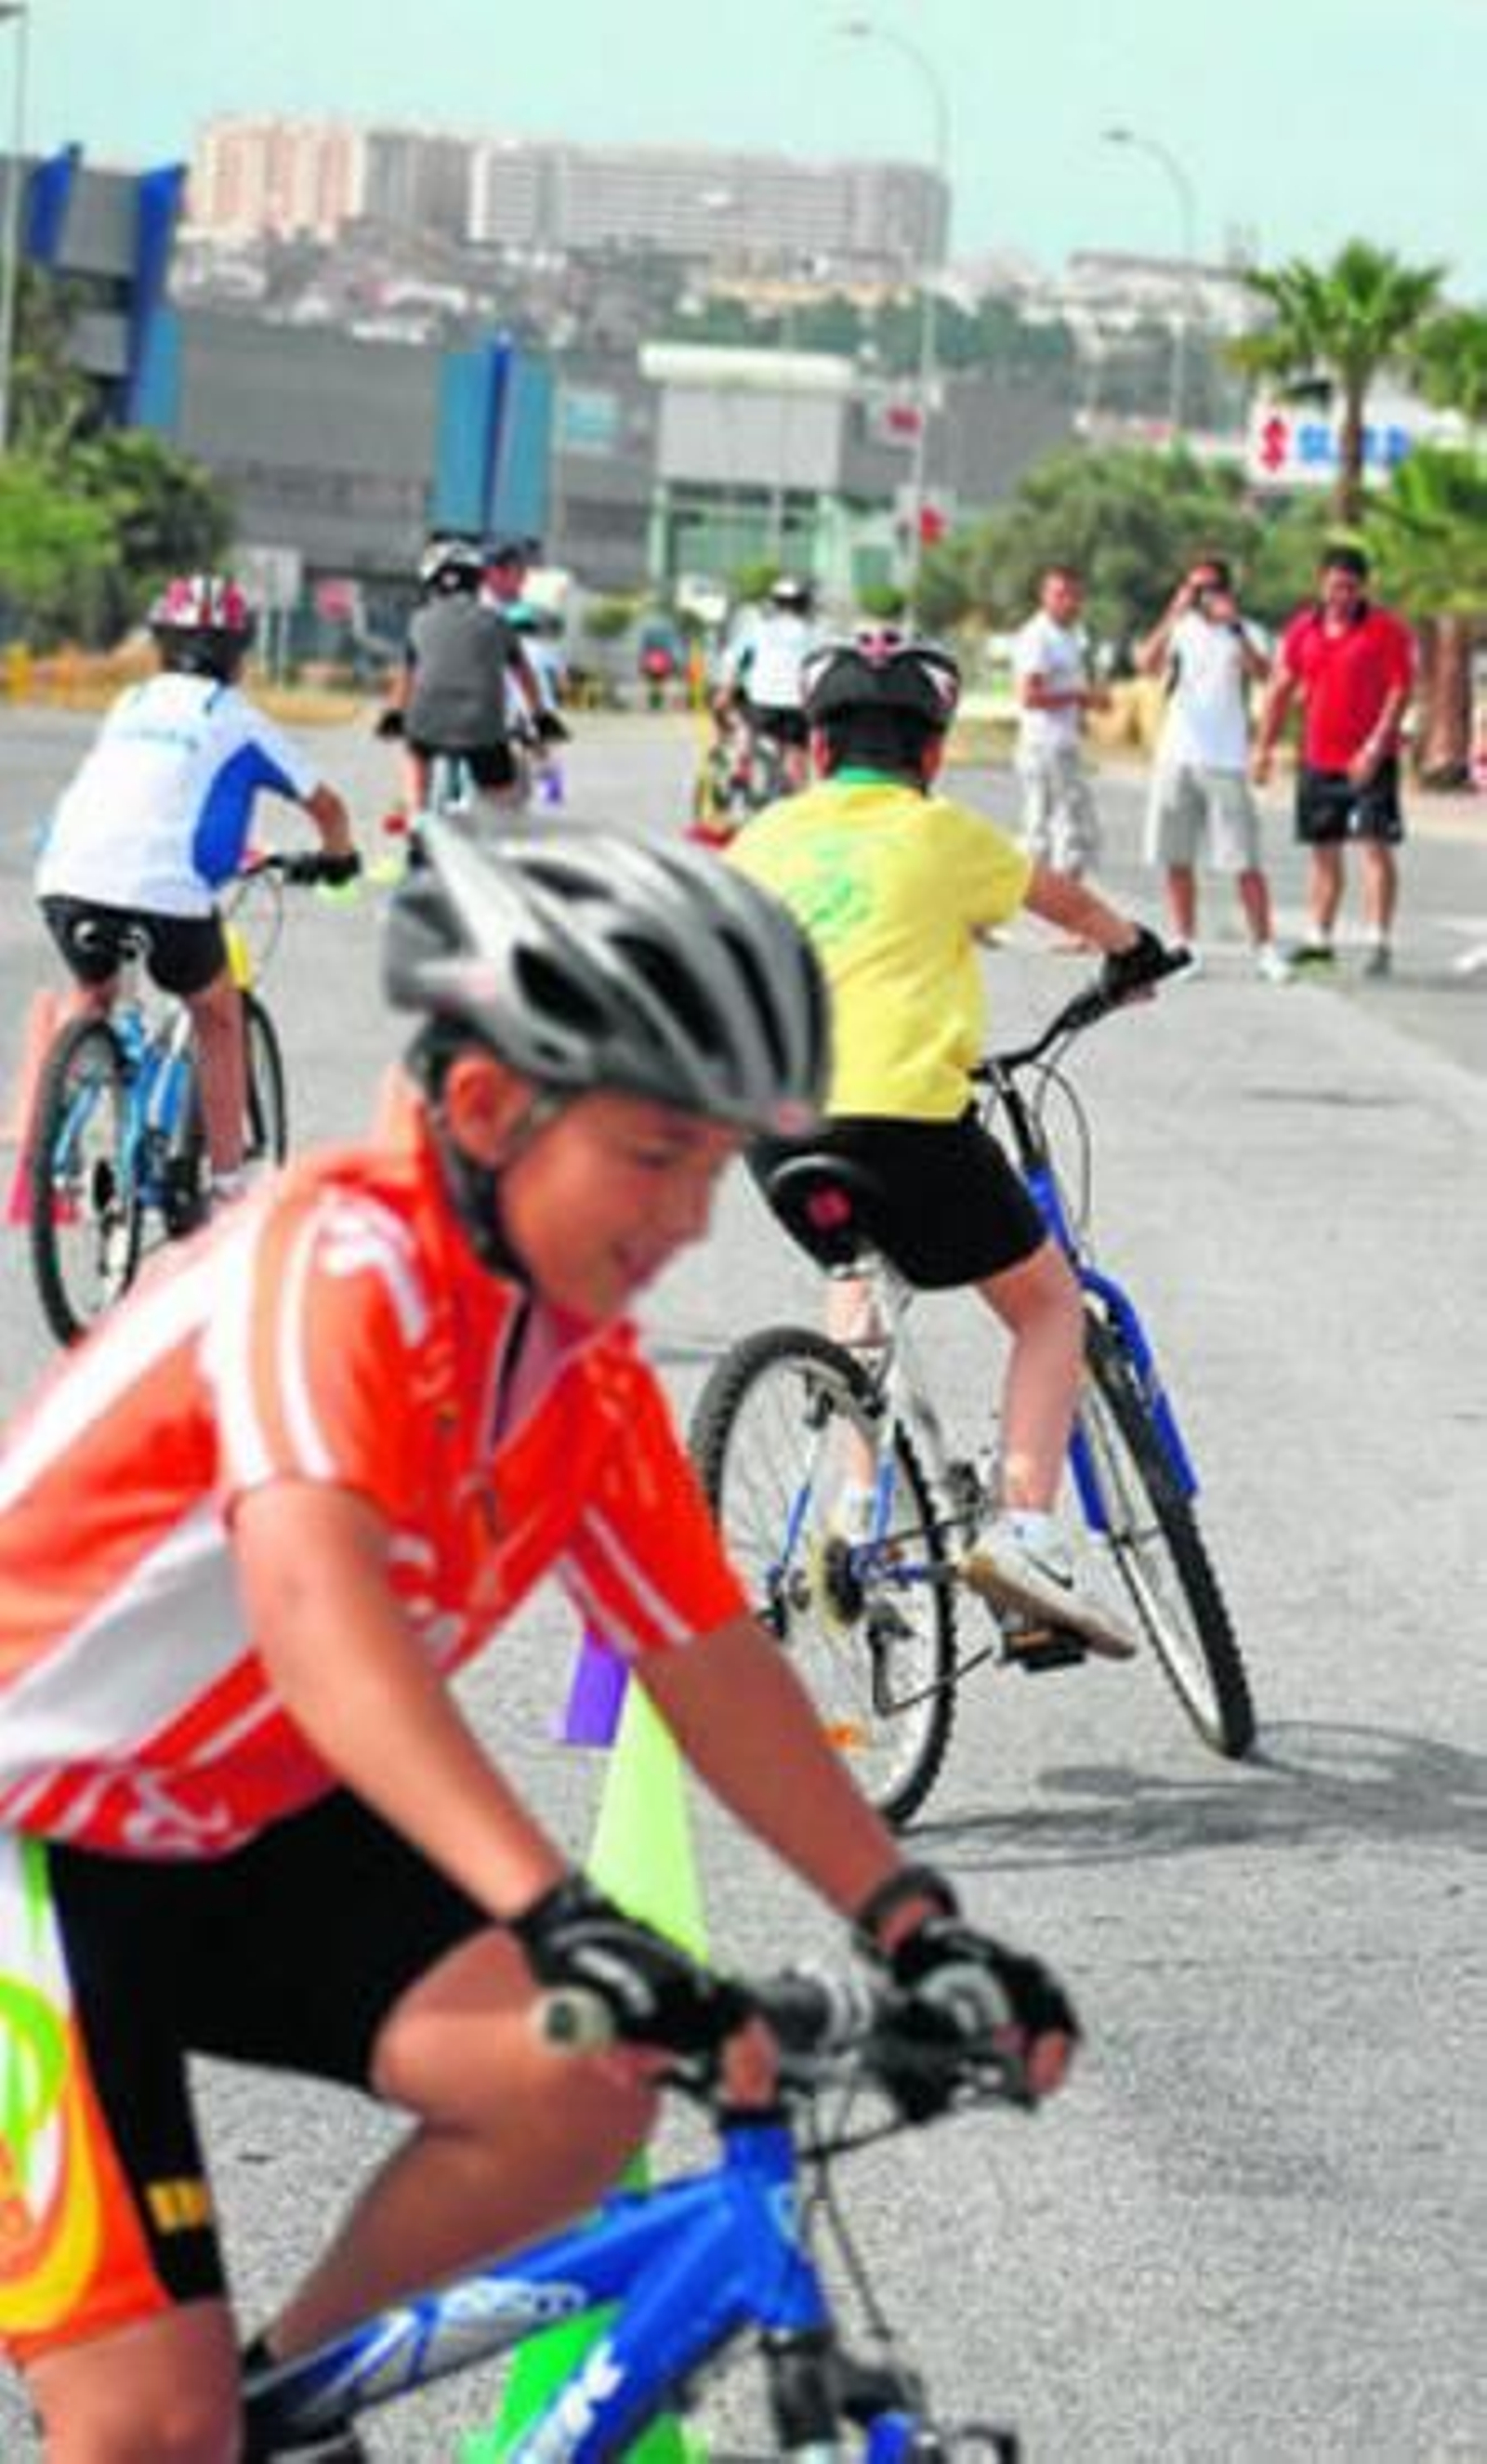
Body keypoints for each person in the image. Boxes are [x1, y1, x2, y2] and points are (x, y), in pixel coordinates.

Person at [0, 822, 1078, 2459]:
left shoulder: (575, 1369)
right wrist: (556, 1906)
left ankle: (287, 2417)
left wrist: (915, 1918)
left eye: (714, 1171)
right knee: (148, 2424)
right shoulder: (333, 1262)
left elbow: (711, 1661)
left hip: (209, 1830)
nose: (692, 1218)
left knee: (572, 2082)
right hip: (28, 1842)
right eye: (656, 1158)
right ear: (494, 1110)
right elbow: (316, 1610)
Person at [730, 626, 1172, 1659]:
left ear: (814, 751)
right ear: (931, 756)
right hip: (906, 1127)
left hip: (775, 1130)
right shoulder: (944, 834)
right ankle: (1025, 1537)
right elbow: (1056, 899)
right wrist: (1130, 950)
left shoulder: (763, 837)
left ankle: (848, 1515)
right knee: (1047, 1303)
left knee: (856, 1273)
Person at [33, 573, 358, 1208]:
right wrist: (337, 860)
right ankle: (230, 1187)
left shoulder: (130, 704)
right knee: (218, 1014)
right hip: (167, 893)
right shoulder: (237, 719)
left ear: (162, 645)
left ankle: (58, 1145)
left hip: (68, 877)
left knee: (93, 990)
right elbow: (327, 805)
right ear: (240, 653)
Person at [1252, 544, 1415, 979]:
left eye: (1350, 587)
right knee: (1324, 851)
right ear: (1321, 584)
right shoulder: (1303, 629)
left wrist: (1375, 748)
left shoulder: (1386, 630)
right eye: (1334, 586)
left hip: (1371, 760)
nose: (1341, 595)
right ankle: (1320, 942)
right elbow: (1282, 688)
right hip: (1318, 758)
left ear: (1364, 587)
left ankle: (1379, 942)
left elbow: (1401, 690)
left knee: (1375, 847)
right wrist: (1264, 748)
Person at [1135, 558, 1292, 983]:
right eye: (1195, 586)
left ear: (1227, 588)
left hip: (1225, 760)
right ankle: (1186, 945)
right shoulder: (1180, 629)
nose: (1203, 594)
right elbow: (1146, 664)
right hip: (1177, 756)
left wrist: (1235, 626)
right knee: (1176, 857)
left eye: (1211, 586)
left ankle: (1265, 950)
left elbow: (1266, 676)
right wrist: (1173, 611)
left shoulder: (1245, 630)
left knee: (1244, 860)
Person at [379, 538, 564, 823]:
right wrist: (542, 719)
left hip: (429, 722)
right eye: (517, 571)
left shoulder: (420, 620)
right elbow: (526, 677)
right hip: (486, 724)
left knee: (416, 756)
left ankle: (416, 818)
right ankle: (502, 833)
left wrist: (393, 715)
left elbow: (407, 675)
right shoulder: (496, 620)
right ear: (483, 579)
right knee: (507, 800)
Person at [1011, 563, 1111, 881]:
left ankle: (1052, 907)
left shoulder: (1069, 636)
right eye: (1061, 594)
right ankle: (1057, 908)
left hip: (1061, 741)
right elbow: (1029, 695)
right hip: (1045, 743)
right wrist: (1080, 697)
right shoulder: (1039, 637)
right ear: (1044, 596)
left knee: (1061, 826)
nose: (1069, 602)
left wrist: (1082, 705)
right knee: (1060, 828)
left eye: (1075, 595)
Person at [717, 575, 819, 792]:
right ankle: (797, 796)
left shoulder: (758, 629)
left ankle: (741, 765)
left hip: (762, 704)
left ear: (774, 603)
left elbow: (732, 661)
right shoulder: (814, 634)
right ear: (805, 604)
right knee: (796, 752)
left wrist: (725, 691)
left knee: (743, 721)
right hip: (799, 706)